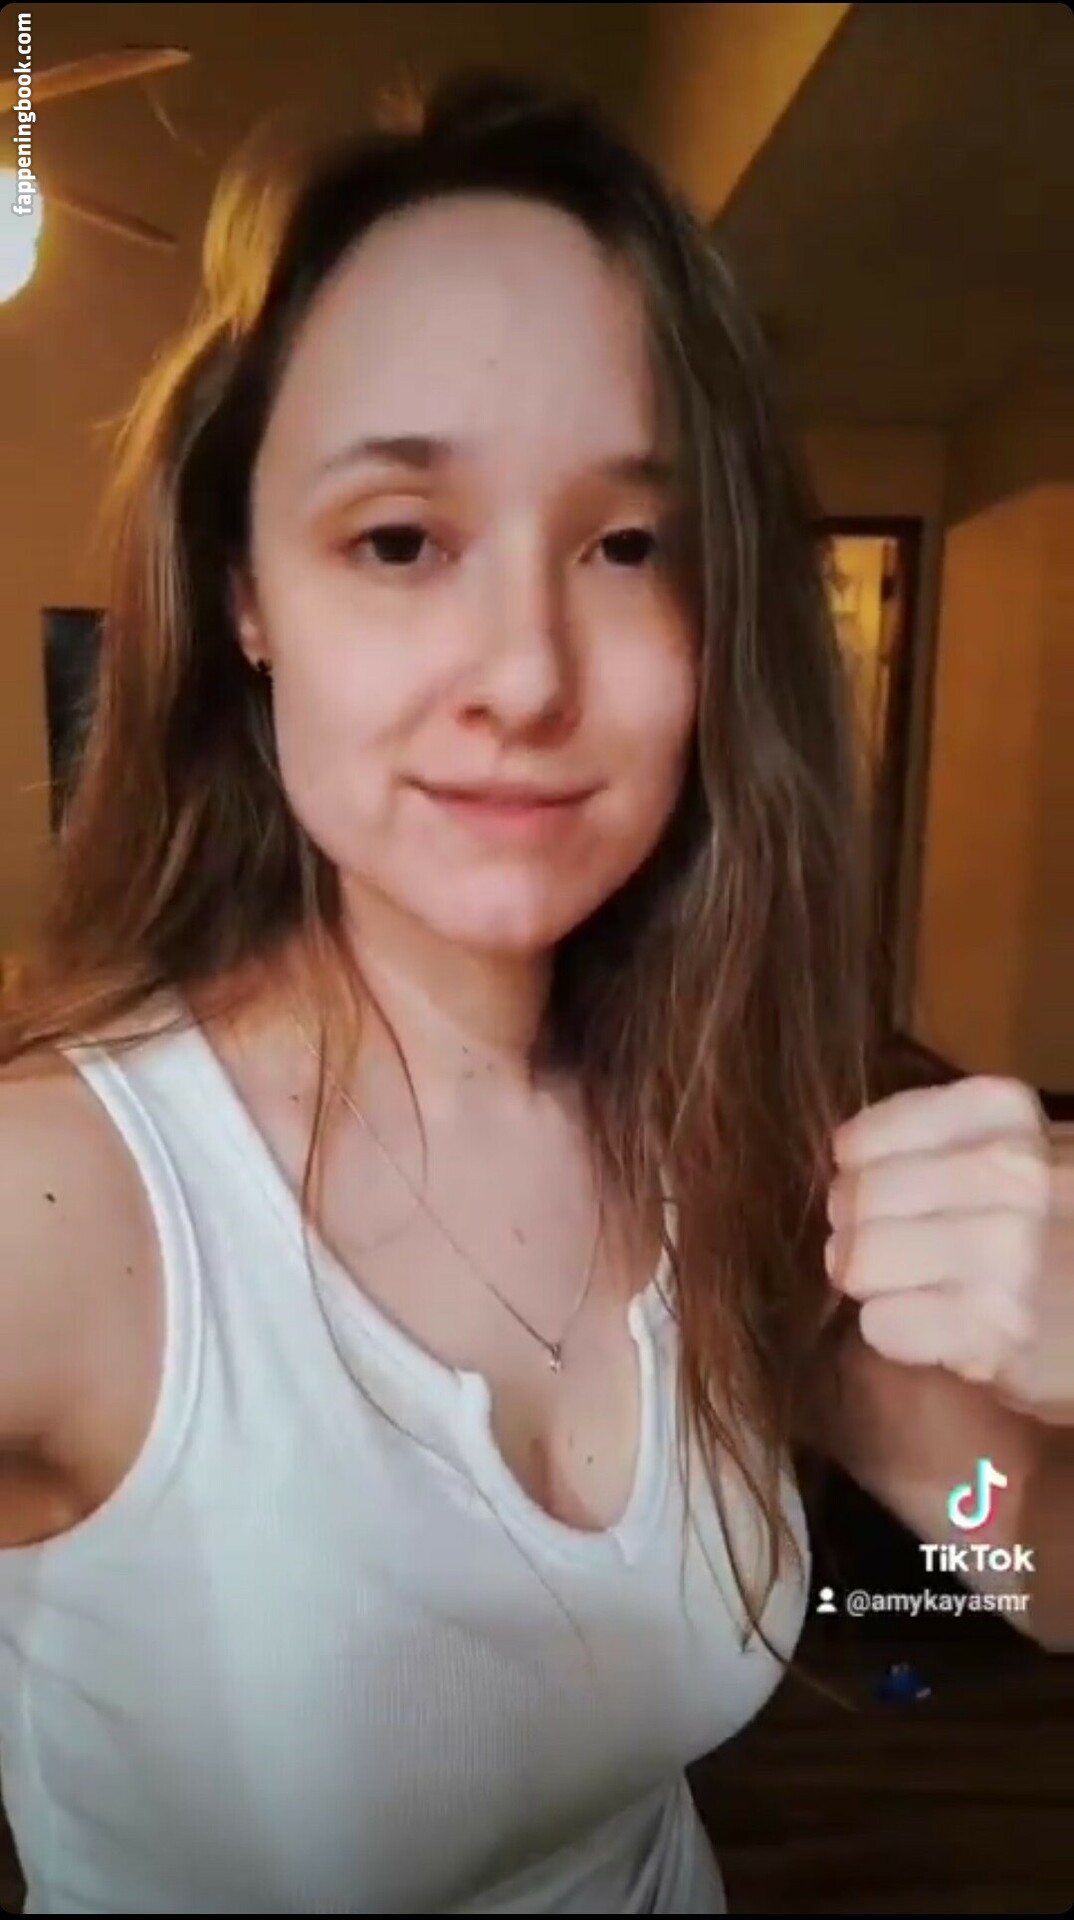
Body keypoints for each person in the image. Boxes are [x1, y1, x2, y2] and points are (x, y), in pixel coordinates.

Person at [0, 72, 1069, 1916]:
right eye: (398, 539)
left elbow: (1019, 1556)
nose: (525, 674)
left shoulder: (751, 1129)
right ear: (246, 596)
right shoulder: (59, 1209)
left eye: (626, 545)